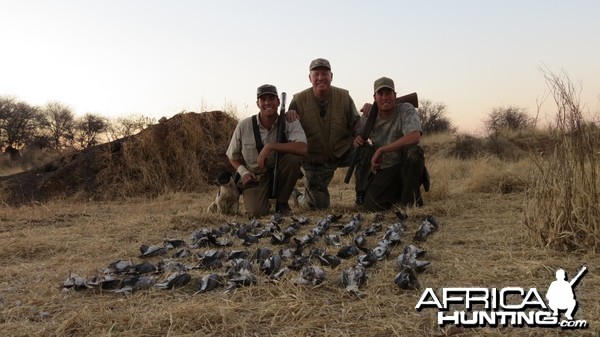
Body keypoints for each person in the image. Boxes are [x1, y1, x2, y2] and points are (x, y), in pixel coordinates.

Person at [287, 58, 365, 209]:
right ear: (310, 78)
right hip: (314, 159)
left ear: (331, 76)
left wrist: (357, 137)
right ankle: (299, 197)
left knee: (366, 151)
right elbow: (290, 133)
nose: (320, 78)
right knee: (317, 205)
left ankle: (362, 196)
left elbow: (356, 122)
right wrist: (288, 116)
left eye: (324, 74)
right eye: (316, 74)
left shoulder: (344, 97)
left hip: (341, 151)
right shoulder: (298, 100)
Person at [226, 84, 307, 217]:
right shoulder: (244, 126)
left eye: (271, 98)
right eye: (263, 99)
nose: (267, 103)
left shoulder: (289, 120)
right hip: (256, 176)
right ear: (257, 103)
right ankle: (263, 198)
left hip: (279, 172)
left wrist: (270, 147)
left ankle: (282, 202)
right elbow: (232, 156)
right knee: (256, 213)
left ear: (278, 102)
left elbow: (303, 148)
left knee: (293, 159)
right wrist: (243, 172)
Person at [354, 76, 427, 211]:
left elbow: (415, 136)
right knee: (371, 207)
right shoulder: (368, 117)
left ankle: (409, 202)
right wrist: (356, 138)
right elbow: (356, 134)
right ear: (374, 97)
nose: (385, 97)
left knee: (414, 152)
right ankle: (397, 194)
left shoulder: (406, 109)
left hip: (407, 165)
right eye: (380, 94)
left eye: (388, 93)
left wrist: (382, 150)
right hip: (386, 168)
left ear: (395, 95)